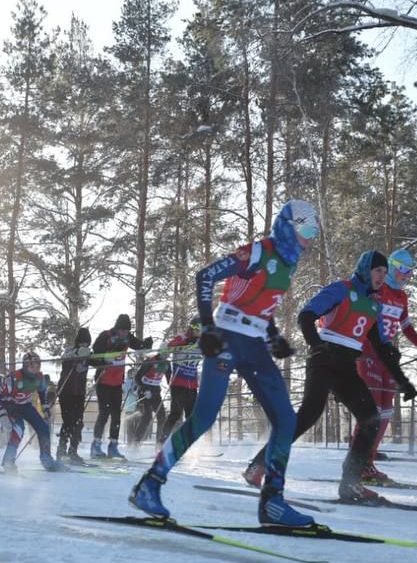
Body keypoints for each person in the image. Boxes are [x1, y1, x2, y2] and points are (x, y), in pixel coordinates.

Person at [130, 199, 321, 527]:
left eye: (314, 232)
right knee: (202, 418)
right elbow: (205, 276)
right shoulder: (260, 251)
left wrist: (273, 335)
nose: (310, 238)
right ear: (289, 226)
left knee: (287, 420)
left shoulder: (289, 263)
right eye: (306, 229)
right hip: (226, 337)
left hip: (255, 343)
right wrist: (206, 327)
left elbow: (262, 304)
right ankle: (149, 485)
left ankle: (272, 503)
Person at [241, 250, 416, 503]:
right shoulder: (341, 290)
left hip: (346, 366)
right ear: (366, 269)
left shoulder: (374, 304)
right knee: (306, 417)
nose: (382, 276)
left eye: (385, 272)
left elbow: (381, 348)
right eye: (378, 270)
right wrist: (317, 346)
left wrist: (403, 381)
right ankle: (258, 466)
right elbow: (306, 316)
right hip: (324, 360)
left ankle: (350, 484)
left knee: (371, 419)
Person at [354, 248, 417, 480]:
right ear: (392, 267)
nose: (407, 275)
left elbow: (406, 327)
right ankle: (358, 462)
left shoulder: (402, 298)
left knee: (386, 411)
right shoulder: (377, 289)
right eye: (403, 269)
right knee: (370, 412)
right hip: (367, 354)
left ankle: (368, 461)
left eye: (410, 271)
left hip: (388, 357)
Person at [0, 351, 67, 472]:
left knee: (43, 428)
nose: (35, 368)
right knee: (19, 430)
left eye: (37, 365)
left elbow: (42, 392)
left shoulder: (39, 378)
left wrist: (45, 407)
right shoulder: (13, 378)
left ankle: (47, 459)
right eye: (32, 365)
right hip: (10, 406)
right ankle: (8, 461)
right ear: (25, 365)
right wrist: (1, 413)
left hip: (25, 405)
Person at [89, 315, 152, 459]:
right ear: (117, 328)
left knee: (116, 416)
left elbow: (139, 346)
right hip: (103, 380)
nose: (125, 333)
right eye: (123, 330)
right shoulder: (106, 335)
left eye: (127, 331)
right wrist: (110, 349)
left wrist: (146, 344)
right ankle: (96, 445)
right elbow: (96, 349)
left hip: (117, 383)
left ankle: (113, 446)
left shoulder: (128, 337)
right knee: (104, 413)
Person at [55, 327, 93, 465]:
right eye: (82, 343)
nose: (84, 346)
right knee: (69, 421)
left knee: (78, 422)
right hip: (66, 392)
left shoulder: (88, 354)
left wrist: (105, 361)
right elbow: (65, 360)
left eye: (86, 344)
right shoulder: (70, 351)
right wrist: (77, 354)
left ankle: (73, 450)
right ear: (78, 342)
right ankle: (61, 449)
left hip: (79, 393)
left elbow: (97, 361)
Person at [158, 319, 201, 441]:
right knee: (176, 414)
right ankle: (162, 441)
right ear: (191, 328)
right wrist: (186, 343)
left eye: (201, 330)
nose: (199, 332)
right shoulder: (182, 337)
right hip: (178, 383)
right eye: (197, 329)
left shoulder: (202, 342)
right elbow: (169, 347)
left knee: (191, 416)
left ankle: (188, 442)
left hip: (192, 385)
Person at [128, 352, 169, 446]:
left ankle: (160, 442)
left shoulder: (167, 363)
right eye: (165, 353)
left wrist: (171, 383)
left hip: (156, 391)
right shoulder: (150, 361)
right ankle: (137, 441)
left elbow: (169, 376)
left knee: (162, 416)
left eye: (168, 354)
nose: (166, 355)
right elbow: (137, 377)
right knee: (147, 416)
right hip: (145, 390)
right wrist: (144, 389)